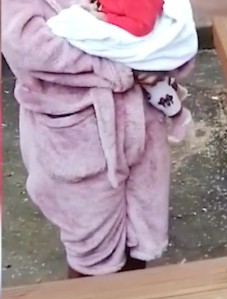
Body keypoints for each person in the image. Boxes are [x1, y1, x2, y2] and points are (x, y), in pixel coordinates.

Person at [1, 0, 181, 278]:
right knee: (93, 253)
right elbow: (27, 48)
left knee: (140, 237)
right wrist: (122, 65)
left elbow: (170, 19)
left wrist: (164, 60)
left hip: (142, 126)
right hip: (78, 133)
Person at [46, 0, 197, 144]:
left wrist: (105, 18)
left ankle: (178, 116)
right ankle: (171, 87)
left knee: (148, 80)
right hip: (124, 23)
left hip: (142, 38)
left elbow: (141, 26)